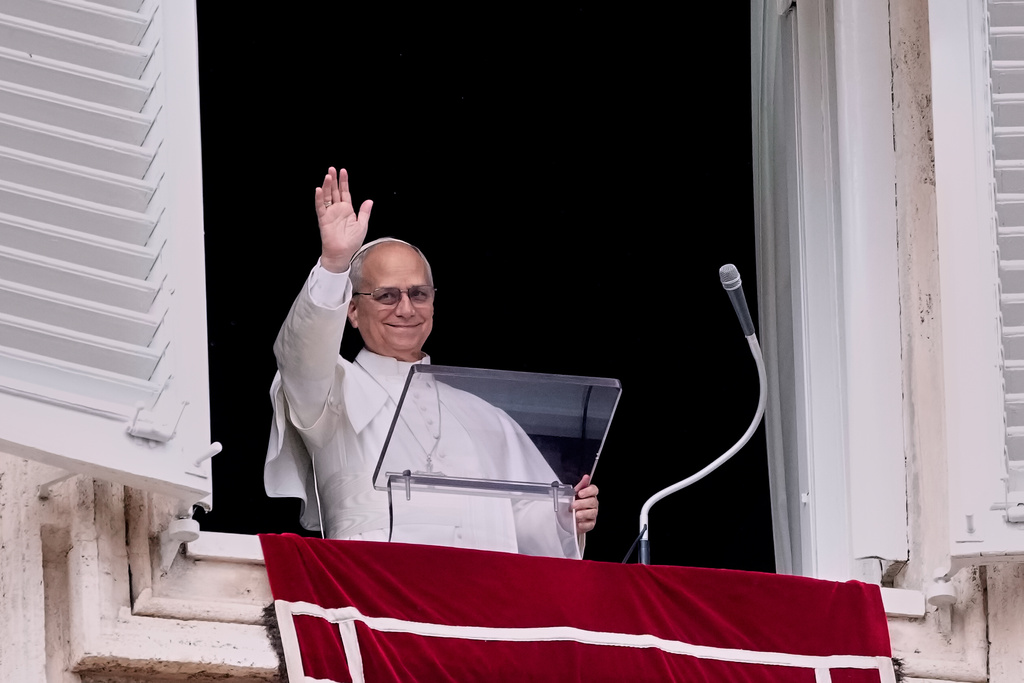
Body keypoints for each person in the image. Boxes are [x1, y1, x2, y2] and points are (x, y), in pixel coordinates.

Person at [265, 167, 599, 558]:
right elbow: (298, 355)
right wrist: (334, 264)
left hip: (479, 597)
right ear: (352, 311)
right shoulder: (332, 391)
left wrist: (564, 517)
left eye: (419, 294)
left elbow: (520, 520)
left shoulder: (484, 414)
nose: (406, 309)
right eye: (387, 296)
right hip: (376, 587)